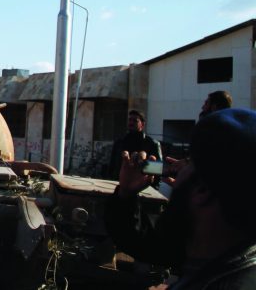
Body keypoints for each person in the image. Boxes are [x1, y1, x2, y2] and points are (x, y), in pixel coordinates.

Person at [105, 108, 256, 289]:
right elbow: (147, 245)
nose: (177, 171)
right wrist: (126, 195)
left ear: (202, 190)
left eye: (189, 163)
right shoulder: (226, 255)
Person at [108, 109, 163, 180]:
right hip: (119, 184)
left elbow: (157, 172)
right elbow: (112, 167)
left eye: (135, 121)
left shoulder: (152, 144)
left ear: (142, 124)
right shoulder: (119, 143)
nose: (131, 123)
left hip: (142, 186)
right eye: (130, 120)